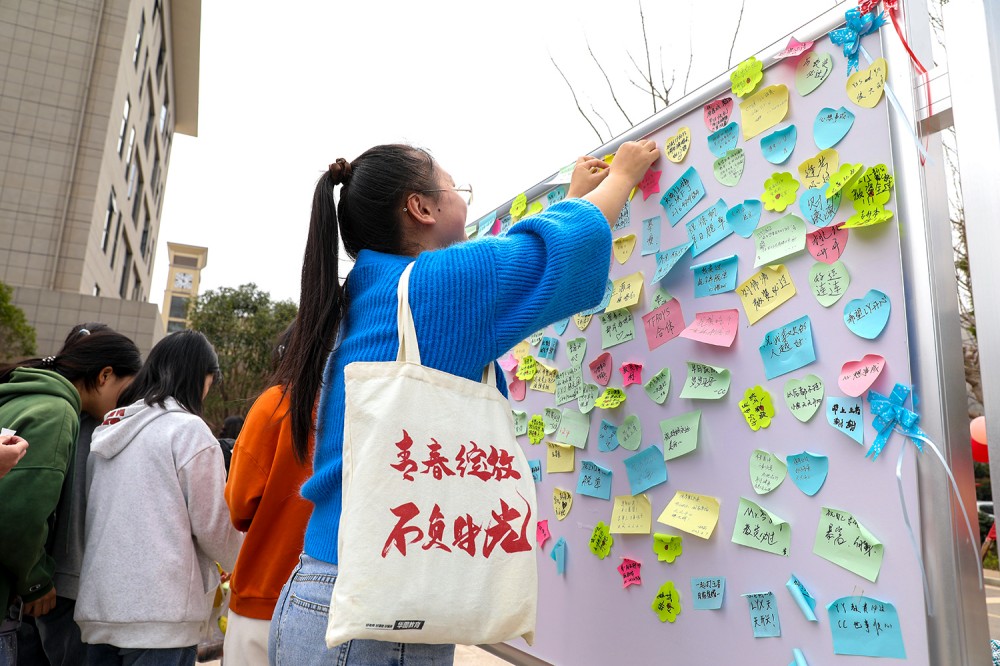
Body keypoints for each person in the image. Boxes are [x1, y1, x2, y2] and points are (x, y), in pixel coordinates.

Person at [268, 140, 658, 664]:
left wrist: (575, 197)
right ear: (422, 207)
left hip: (317, 593)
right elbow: (558, 255)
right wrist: (622, 178)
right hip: (380, 620)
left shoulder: (362, 296)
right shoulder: (436, 286)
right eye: (457, 190)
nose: (464, 203)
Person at [75, 330, 243, 666]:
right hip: (162, 619)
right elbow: (215, 528)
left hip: (101, 610)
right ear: (200, 377)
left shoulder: (110, 429)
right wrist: (245, 558)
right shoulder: (189, 431)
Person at [0, 326, 143, 666]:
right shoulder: (57, 413)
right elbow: (20, 512)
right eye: (126, 391)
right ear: (105, 375)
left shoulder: (19, 396)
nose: (123, 404)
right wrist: (35, 581)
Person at [223, 325, 313, 665]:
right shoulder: (358, 406)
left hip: (265, 590)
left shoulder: (276, 402)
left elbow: (239, 505)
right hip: (336, 603)